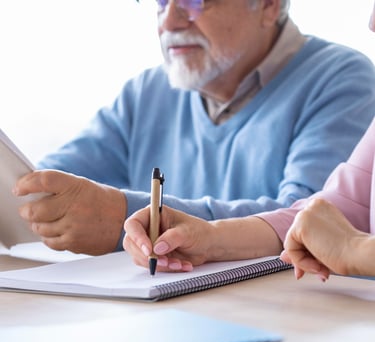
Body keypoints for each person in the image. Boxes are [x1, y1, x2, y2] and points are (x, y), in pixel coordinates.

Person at [14, 0, 375, 255]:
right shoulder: (146, 91)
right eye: (159, 1)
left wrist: (121, 216)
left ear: (267, 4)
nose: (169, 21)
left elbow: (313, 220)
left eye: (195, 1)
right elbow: (45, 183)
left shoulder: (342, 80)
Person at [123, 1, 375, 278]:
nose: (372, 23)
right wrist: (208, 236)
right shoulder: (144, 89)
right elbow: (329, 215)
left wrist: (357, 250)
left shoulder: (340, 77)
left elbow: (343, 237)